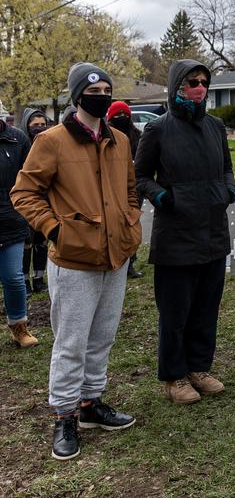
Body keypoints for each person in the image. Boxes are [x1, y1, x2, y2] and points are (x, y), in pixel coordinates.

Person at [12, 63, 142, 460]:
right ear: (76, 96)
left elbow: (131, 191)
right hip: (73, 260)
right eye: (93, 89)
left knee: (103, 337)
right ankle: (64, 415)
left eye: (107, 88)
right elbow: (24, 192)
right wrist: (55, 230)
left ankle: (90, 405)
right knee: (71, 343)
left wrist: (131, 225)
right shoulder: (51, 141)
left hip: (115, 256)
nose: (101, 94)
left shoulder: (119, 140)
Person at [135, 60, 235, 405]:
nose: (199, 87)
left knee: (207, 307)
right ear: (177, 85)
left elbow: (226, 169)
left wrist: (227, 191)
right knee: (176, 311)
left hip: (213, 231)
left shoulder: (216, 127)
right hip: (176, 234)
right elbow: (140, 178)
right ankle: (174, 376)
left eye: (204, 82)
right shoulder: (158, 130)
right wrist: (164, 198)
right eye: (192, 81)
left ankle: (198, 368)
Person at [1, 112, 36, 348]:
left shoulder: (17, 139)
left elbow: (30, 183)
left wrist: (30, 219)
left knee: (13, 278)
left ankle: (19, 327)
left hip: (11, 220)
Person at [107, 101, 143, 280]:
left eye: (124, 115)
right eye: (117, 115)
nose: (121, 118)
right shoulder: (106, 136)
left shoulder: (137, 135)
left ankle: (130, 262)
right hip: (112, 190)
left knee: (131, 225)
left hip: (133, 188)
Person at [19, 108, 52, 294]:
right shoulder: (21, 144)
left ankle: (39, 278)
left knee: (42, 240)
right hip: (27, 201)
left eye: (42, 125)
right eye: (35, 125)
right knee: (27, 241)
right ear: (27, 126)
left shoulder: (50, 144)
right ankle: (24, 280)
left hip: (47, 199)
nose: (39, 128)